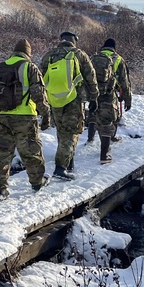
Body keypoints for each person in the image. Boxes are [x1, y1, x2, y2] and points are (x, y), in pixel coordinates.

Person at [0, 38, 51, 200]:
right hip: (25, 117)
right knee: (31, 150)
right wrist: (45, 113)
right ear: (28, 53)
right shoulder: (30, 67)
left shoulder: (0, 67)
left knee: (2, 152)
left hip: (1, 115)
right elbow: (38, 93)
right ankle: (37, 182)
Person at [37, 31, 98, 180]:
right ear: (74, 41)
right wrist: (94, 97)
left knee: (62, 131)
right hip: (74, 99)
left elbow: (39, 79)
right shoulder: (79, 54)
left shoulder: (49, 55)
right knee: (71, 133)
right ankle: (60, 169)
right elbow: (90, 76)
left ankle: (69, 163)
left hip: (54, 99)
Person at [87, 38, 133, 164]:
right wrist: (127, 99)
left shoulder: (93, 58)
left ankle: (91, 139)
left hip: (93, 94)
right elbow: (125, 82)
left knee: (96, 118)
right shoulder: (118, 59)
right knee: (107, 121)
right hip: (109, 94)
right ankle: (104, 155)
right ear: (114, 48)